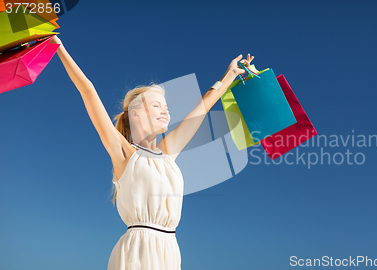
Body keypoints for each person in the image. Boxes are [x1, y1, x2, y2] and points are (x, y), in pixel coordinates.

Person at [50, 35, 254, 269]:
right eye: (156, 105)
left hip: (170, 251)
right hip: (138, 252)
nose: (165, 111)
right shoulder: (124, 154)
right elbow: (88, 92)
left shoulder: (167, 156)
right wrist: (59, 47)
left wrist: (230, 75)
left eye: (166, 107)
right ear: (135, 114)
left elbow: (203, 106)